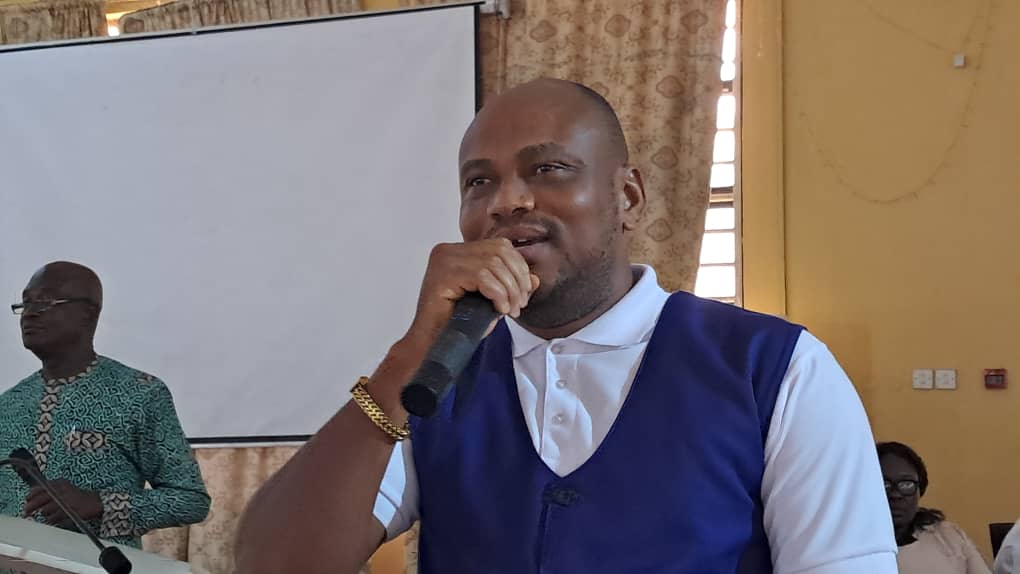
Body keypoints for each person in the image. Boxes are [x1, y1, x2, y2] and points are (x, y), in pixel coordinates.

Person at [235, 78, 897, 573]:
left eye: (547, 169)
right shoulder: (436, 382)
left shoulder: (775, 369)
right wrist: (408, 356)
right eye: (478, 183)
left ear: (627, 198)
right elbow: (273, 565)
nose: (507, 201)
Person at [0, 261, 210, 548]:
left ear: (88, 313)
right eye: (26, 303)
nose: (30, 313)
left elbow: (190, 500)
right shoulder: (7, 406)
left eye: (45, 301)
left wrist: (101, 504)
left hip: (97, 565)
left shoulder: (140, 394)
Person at [878, 441, 990, 574]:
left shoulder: (948, 535)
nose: (895, 495)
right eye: (884, 484)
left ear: (920, 490)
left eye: (907, 484)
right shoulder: (857, 547)